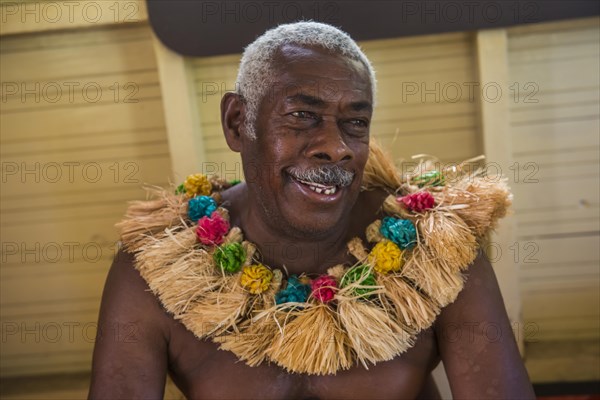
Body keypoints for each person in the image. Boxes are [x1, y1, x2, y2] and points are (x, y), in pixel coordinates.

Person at [89, 22, 535, 399]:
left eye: (355, 122)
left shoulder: (434, 247)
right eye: (302, 115)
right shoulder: (155, 265)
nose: (337, 148)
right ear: (236, 122)